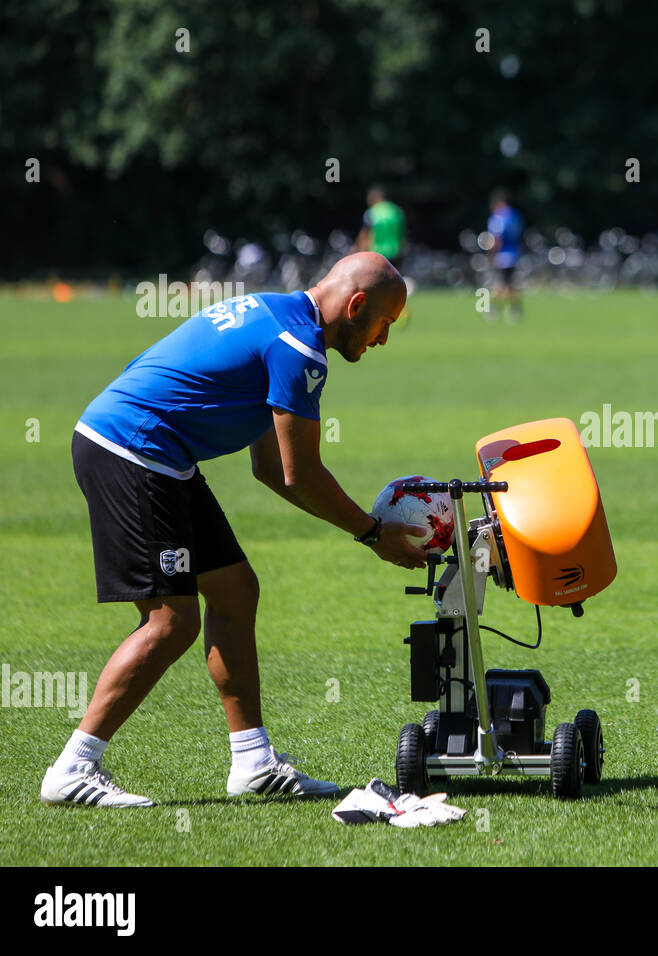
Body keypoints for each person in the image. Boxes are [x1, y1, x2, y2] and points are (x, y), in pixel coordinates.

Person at [44, 253, 430, 807]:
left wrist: (363, 529)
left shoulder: (276, 313)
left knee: (234, 591)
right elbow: (302, 474)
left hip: (157, 453)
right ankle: (73, 767)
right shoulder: (299, 350)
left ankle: (253, 762)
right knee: (170, 622)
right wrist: (373, 534)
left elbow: (270, 468)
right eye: (384, 324)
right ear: (357, 305)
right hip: (131, 449)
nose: (383, 339)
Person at [487, 189, 525, 321]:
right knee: (508, 284)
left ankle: (495, 309)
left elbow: (497, 239)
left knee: (502, 284)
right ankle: (513, 309)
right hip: (515, 253)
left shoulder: (498, 217)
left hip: (503, 256)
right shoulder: (515, 215)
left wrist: (491, 255)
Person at [355, 186, 407, 268]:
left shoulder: (372, 212)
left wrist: (358, 254)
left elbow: (365, 236)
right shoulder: (397, 211)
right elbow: (402, 235)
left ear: (374, 198)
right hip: (395, 254)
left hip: (377, 256)